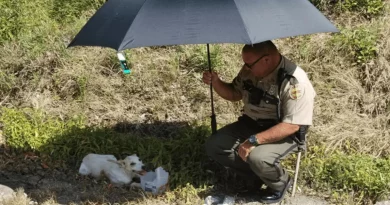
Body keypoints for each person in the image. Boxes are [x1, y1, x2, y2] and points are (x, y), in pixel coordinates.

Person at [203, 40, 315, 204]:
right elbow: (235, 94)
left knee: (258, 157)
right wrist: (216, 82)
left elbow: (292, 125)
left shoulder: (294, 82)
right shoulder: (252, 69)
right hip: (251, 123)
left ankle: (280, 183)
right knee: (215, 145)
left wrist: (254, 141)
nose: (245, 68)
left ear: (267, 60)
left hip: (283, 131)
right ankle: (257, 176)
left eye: (249, 64)